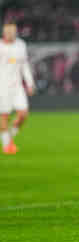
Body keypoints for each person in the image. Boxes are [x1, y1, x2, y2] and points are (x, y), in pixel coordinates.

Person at [0, 22, 35, 155]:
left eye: (13, 32)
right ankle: (7, 146)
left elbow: (24, 65)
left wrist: (30, 83)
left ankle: (8, 138)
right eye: (8, 32)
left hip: (17, 87)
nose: (11, 34)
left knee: (23, 114)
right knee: (4, 117)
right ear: (4, 33)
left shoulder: (21, 45)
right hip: (2, 87)